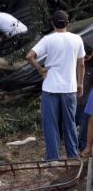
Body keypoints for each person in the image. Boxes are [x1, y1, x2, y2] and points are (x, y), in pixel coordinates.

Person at [27, 10, 86, 160]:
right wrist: (80, 83)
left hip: (50, 87)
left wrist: (40, 69)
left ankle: (53, 158)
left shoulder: (48, 39)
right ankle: (73, 156)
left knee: (51, 124)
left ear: (52, 23)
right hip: (69, 88)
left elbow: (30, 56)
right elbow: (82, 64)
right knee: (70, 123)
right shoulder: (77, 39)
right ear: (68, 23)